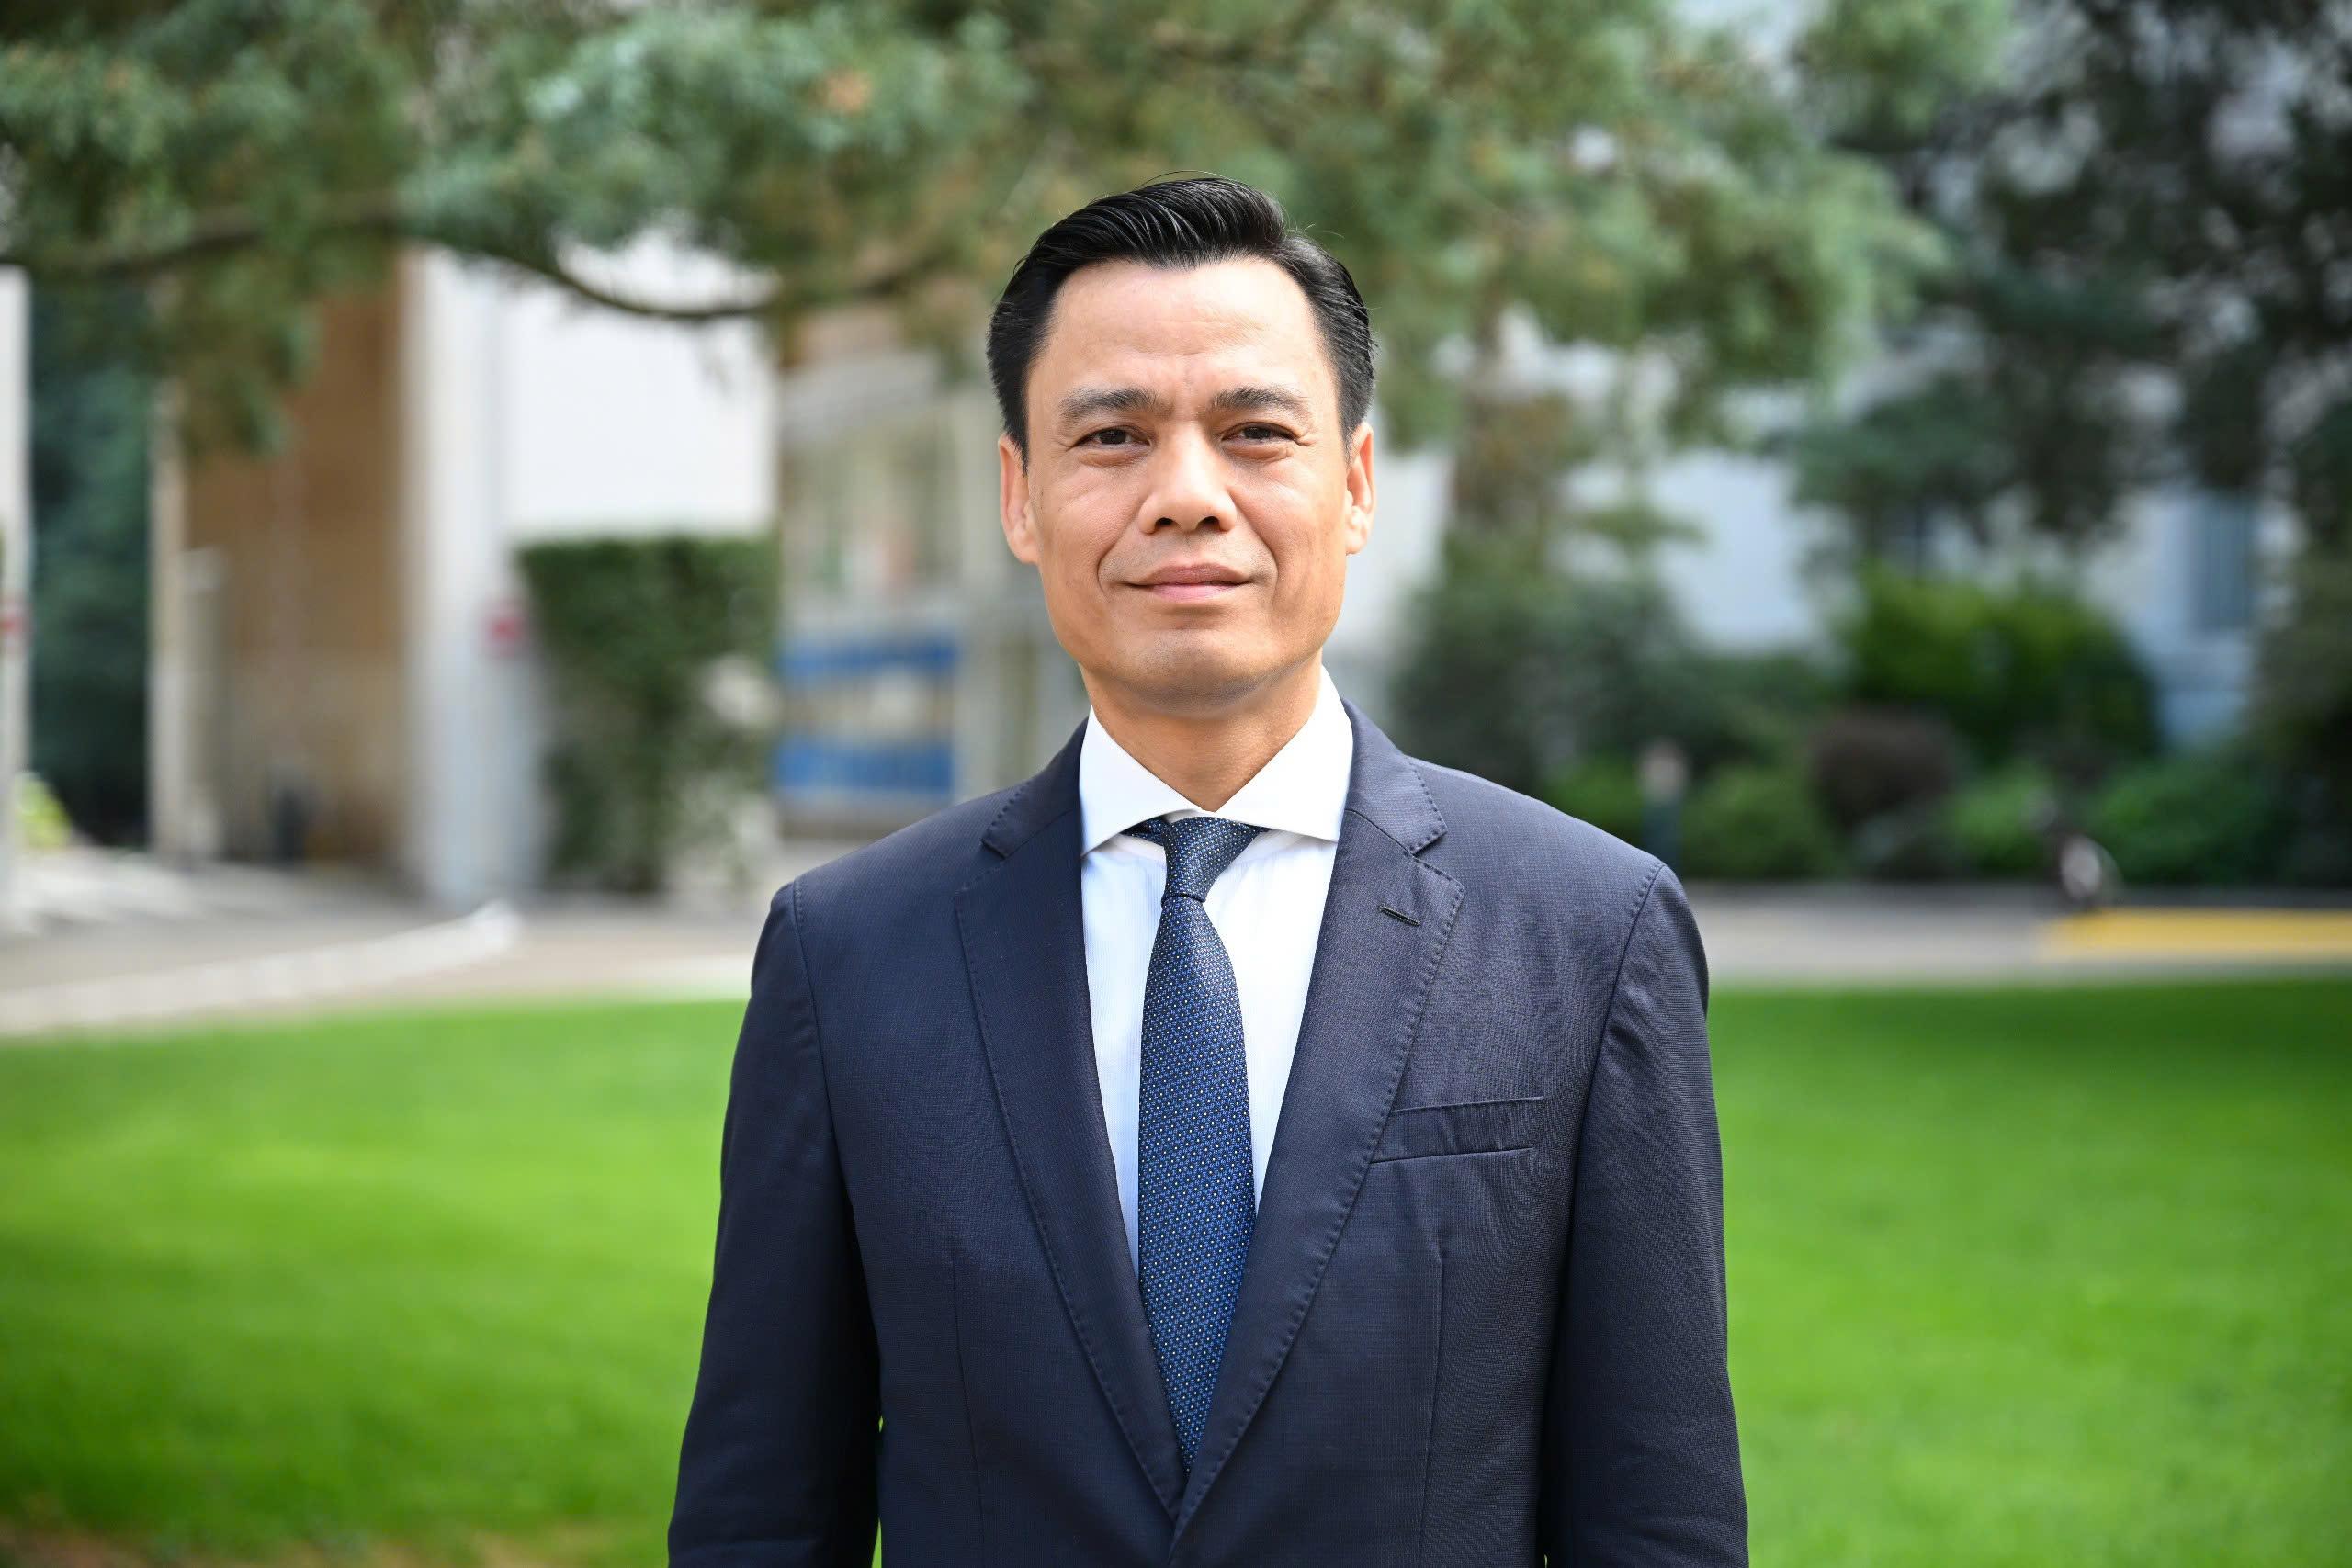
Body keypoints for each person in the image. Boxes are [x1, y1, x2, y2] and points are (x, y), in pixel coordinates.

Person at [667, 175, 1745, 1567]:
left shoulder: (1588, 933)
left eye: (1255, 433)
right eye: (1112, 436)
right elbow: (763, 1512)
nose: (1186, 497)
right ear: (1021, 496)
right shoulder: (848, 953)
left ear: (1355, 485)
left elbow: (1657, 1519)